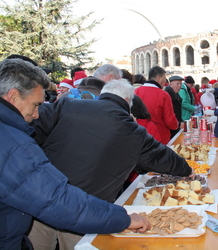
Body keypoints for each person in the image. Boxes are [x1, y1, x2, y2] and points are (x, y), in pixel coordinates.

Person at [0, 59, 151, 250]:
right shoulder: (11, 143)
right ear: (13, 97)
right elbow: (56, 199)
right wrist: (121, 219)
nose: (37, 114)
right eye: (35, 105)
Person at [29, 79, 192, 249]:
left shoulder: (68, 105)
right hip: (84, 211)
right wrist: (187, 170)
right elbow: (162, 157)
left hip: (42, 199)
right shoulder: (133, 130)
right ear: (128, 101)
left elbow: (31, 123)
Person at [135, 66, 179, 144]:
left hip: (139, 136)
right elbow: (170, 121)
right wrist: (177, 125)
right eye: (164, 78)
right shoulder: (163, 95)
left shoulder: (135, 92)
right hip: (160, 137)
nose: (165, 81)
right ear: (158, 78)